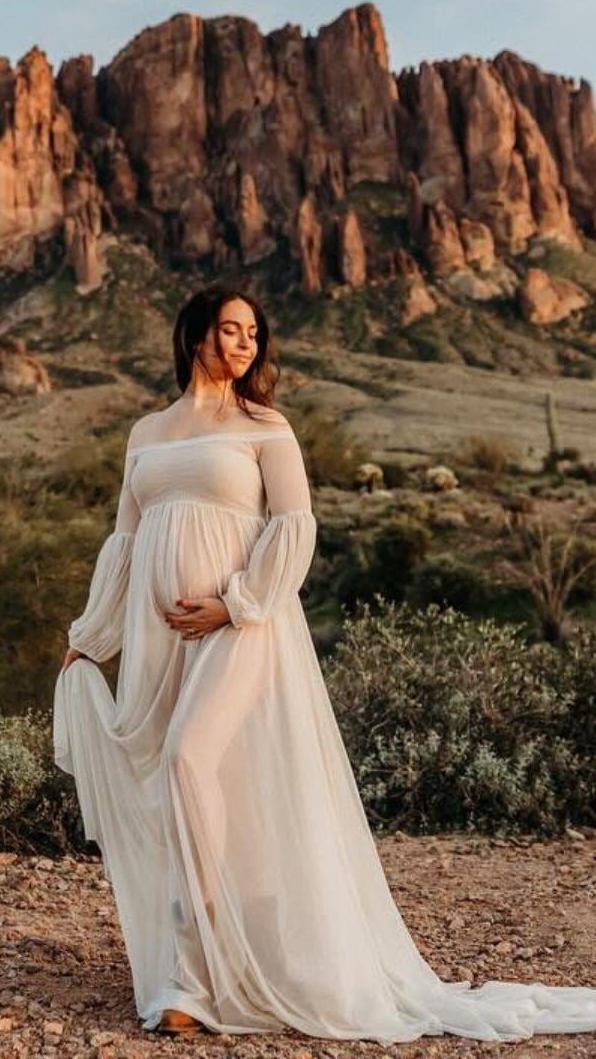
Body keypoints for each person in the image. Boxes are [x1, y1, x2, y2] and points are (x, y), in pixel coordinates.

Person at [52, 282, 596, 1043]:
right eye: (230, 329)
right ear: (195, 336)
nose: (244, 343)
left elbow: (294, 525)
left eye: (252, 332)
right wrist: (92, 634)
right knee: (197, 789)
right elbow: (125, 543)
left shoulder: (265, 425)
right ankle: (226, 956)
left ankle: (191, 967)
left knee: (185, 759)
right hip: (160, 636)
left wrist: (235, 601)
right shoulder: (146, 432)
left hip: (244, 627)